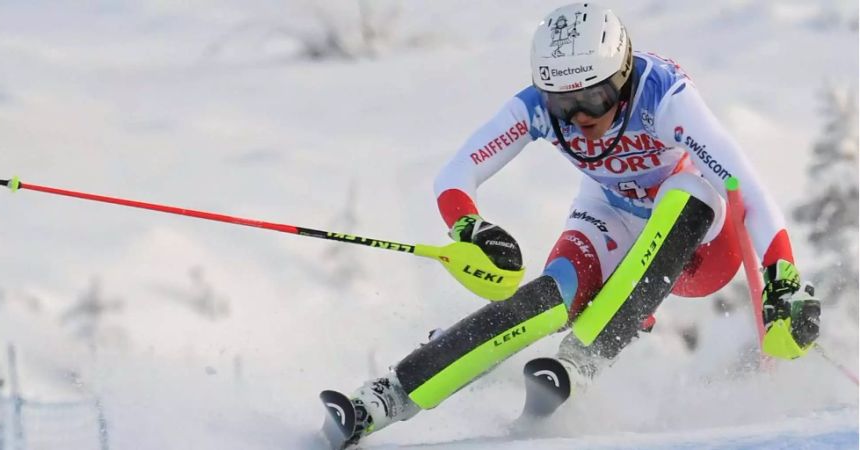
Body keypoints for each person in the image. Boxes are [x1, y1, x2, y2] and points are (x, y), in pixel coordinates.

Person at [319, 3, 821, 448]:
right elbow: (457, 173)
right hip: (610, 213)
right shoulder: (536, 108)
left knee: (686, 190)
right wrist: (469, 227)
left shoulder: (664, 97)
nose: (581, 118)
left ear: (622, 78)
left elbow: (747, 188)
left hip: (700, 246)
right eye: (564, 103)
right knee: (547, 298)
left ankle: (585, 358)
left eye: (596, 99)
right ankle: (382, 399)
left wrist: (784, 279)